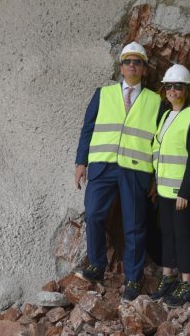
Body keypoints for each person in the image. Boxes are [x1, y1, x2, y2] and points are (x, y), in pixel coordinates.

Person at [74, 41, 161, 301]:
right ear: (121, 67)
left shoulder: (156, 101)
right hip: (103, 166)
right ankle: (96, 265)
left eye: (137, 62)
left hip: (136, 170)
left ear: (144, 69)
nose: (132, 66)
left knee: (134, 225)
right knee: (93, 215)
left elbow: (160, 142)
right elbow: (88, 129)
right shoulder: (103, 94)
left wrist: (156, 176)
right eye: (127, 62)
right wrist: (81, 162)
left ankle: (133, 279)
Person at [149, 64, 190, 307]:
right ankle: (168, 277)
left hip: (183, 192)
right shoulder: (165, 116)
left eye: (177, 86)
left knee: (183, 235)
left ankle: (187, 283)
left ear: (187, 90)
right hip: (164, 189)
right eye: (169, 86)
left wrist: (185, 191)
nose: (172, 90)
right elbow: (159, 150)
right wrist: (156, 182)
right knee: (167, 233)